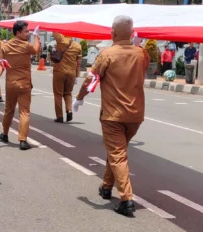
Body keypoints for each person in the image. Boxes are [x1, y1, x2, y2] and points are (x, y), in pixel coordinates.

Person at [73, 16, 148, 217]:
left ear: (112, 33)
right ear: (132, 34)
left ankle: (126, 199)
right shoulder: (141, 54)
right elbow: (144, 66)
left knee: (117, 154)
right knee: (117, 152)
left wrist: (79, 98)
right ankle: (106, 186)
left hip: (113, 114)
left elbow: (91, 78)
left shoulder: (107, 54)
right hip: (136, 114)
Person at [0, 20, 40, 150]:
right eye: (26, 31)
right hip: (24, 84)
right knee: (24, 112)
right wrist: (36, 36)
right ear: (18, 33)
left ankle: (5, 134)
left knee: (9, 110)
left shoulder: (5, 46)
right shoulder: (26, 46)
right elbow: (36, 49)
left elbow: (2, 65)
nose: (28, 33)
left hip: (10, 84)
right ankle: (23, 140)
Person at [51, 32, 82, 123]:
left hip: (59, 71)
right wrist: (77, 76)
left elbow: (54, 31)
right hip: (71, 73)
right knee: (68, 93)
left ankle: (59, 116)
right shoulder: (78, 46)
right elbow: (78, 63)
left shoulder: (61, 40)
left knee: (58, 94)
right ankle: (69, 111)